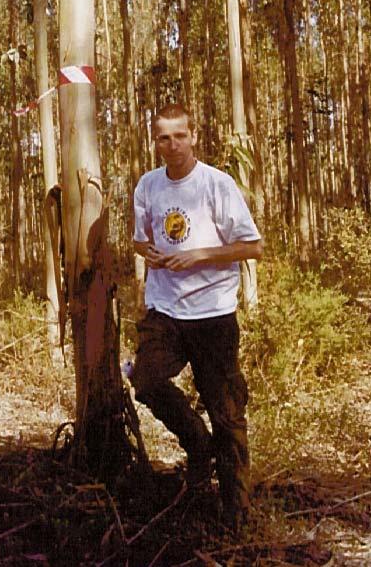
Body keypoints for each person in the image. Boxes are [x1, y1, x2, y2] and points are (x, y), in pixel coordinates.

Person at [130, 102, 263, 530]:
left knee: (226, 412)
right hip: (166, 310)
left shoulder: (217, 185)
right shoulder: (148, 186)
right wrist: (146, 251)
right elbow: (139, 240)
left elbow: (252, 247)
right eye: (164, 137)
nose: (172, 145)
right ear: (156, 141)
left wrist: (201, 255)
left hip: (213, 315)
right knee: (145, 378)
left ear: (194, 136)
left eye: (179, 136)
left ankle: (235, 514)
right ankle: (196, 444)